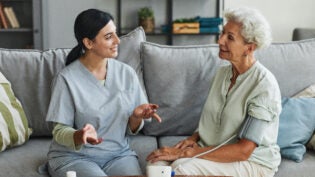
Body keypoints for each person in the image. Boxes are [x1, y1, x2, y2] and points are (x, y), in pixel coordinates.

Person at [147, 7, 282, 177]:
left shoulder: (264, 86)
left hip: (252, 162)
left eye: (230, 38)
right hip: (213, 151)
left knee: (180, 168)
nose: (220, 41)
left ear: (249, 48)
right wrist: (192, 140)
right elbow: (214, 123)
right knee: (156, 163)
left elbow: (244, 151)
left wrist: (189, 153)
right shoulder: (222, 74)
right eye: (223, 33)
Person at [45, 9, 161, 177]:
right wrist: (80, 135)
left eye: (115, 34)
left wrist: (136, 117)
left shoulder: (127, 73)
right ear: (88, 43)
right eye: (108, 37)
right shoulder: (66, 78)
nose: (117, 41)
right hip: (75, 158)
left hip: (118, 156)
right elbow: (59, 131)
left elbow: (132, 128)